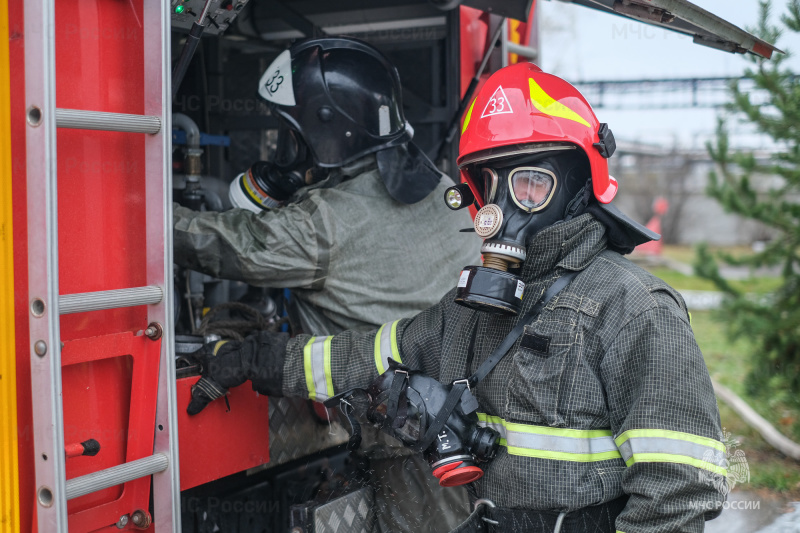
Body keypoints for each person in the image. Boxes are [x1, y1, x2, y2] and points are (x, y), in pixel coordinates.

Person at [187, 61, 728, 533]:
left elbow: (676, 495)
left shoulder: (634, 309)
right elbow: (367, 355)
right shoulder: (470, 311)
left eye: (529, 185)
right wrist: (261, 359)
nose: (503, 210)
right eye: (488, 187)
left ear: (578, 183)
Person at [174, 37, 480, 531]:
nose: (286, 153)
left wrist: (140, 210)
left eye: (293, 139)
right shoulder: (445, 191)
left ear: (327, 135)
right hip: (461, 431)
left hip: (410, 454)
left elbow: (230, 246)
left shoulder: (324, 223)